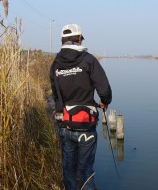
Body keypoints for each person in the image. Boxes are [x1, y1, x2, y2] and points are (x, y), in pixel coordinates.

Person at [50, 23, 112, 190]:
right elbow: (104, 89)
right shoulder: (88, 60)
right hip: (85, 126)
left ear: (63, 40)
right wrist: (105, 102)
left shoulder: (55, 64)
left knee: (68, 171)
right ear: (78, 39)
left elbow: (56, 95)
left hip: (65, 124)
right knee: (85, 171)